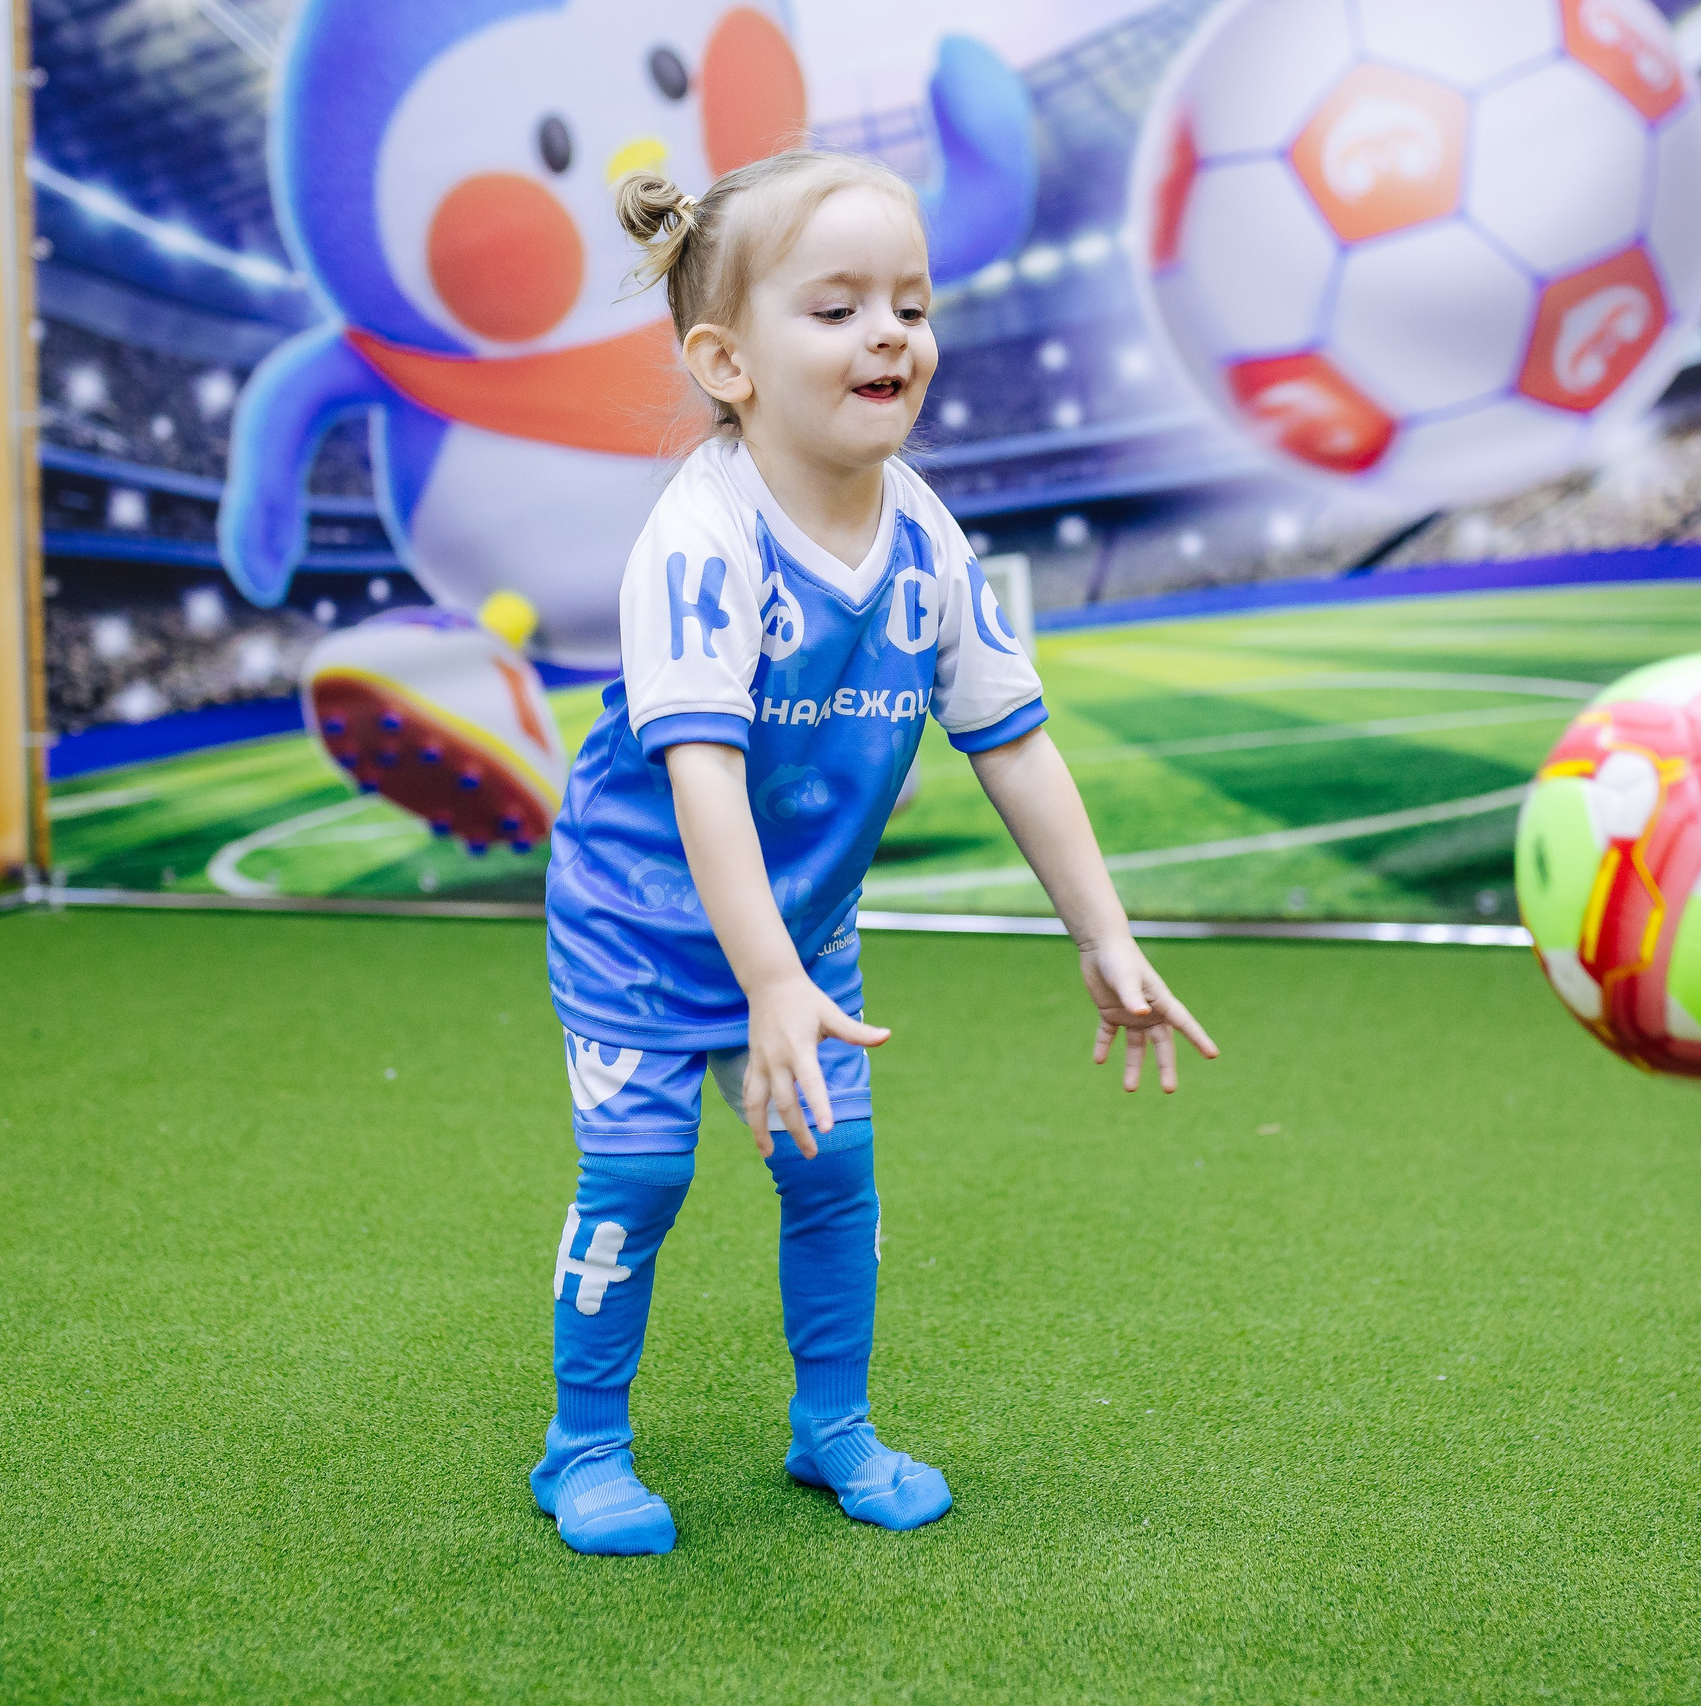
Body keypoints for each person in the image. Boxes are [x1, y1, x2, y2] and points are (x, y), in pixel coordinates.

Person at [532, 151, 1218, 1556]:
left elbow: (1012, 741)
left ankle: (831, 1423)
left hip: (801, 932)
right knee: (642, 1181)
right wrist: (768, 983)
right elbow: (704, 775)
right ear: (725, 362)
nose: (890, 333)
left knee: (833, 1175)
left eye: (911, 303)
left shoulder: (926, 540)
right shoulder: (699, 540)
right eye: (837, 308)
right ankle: (582, 1446)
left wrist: (1105, 934)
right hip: (641, 926)